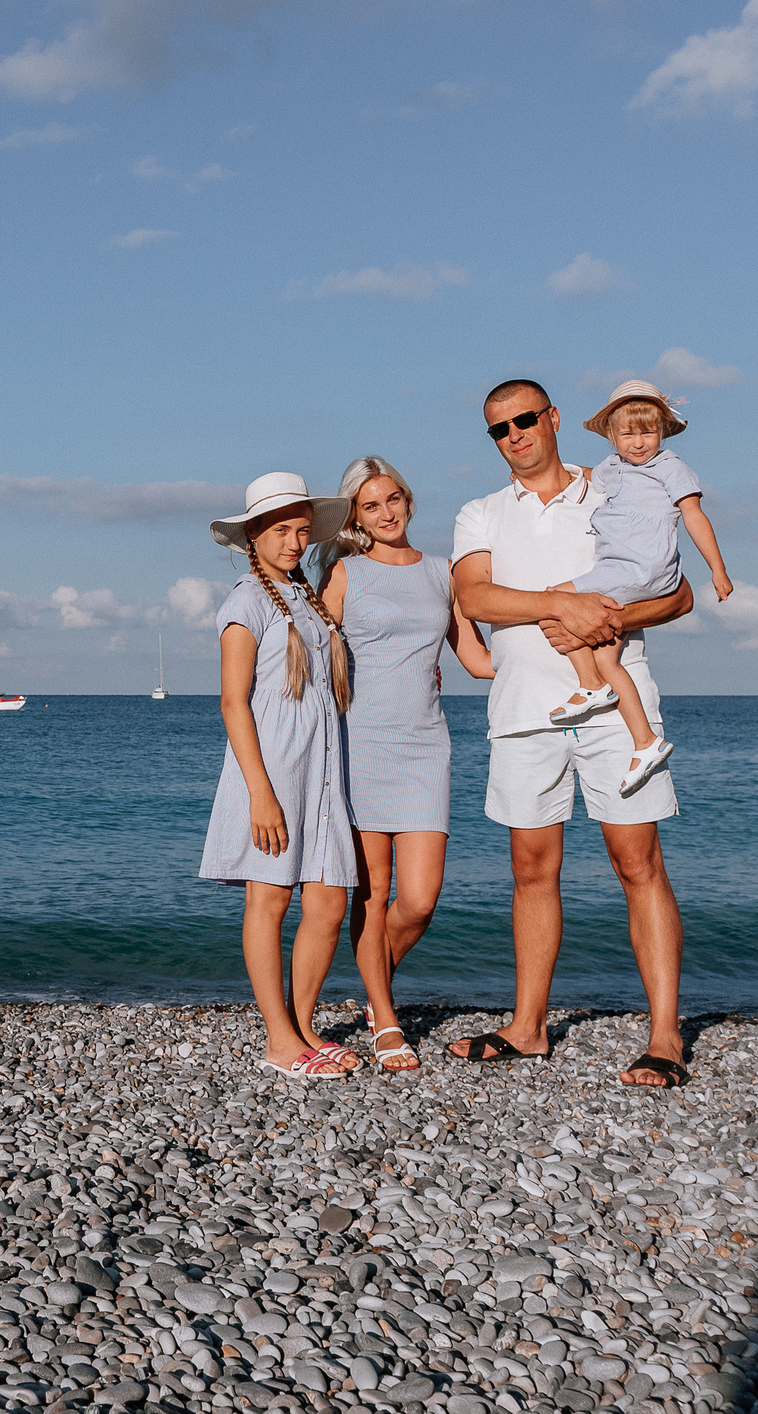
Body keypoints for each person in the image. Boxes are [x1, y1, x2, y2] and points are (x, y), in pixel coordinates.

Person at [446, 379, 698, 1088]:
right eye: (499, 428)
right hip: (525, 707)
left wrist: (607, 620)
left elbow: (677, 593)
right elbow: (475, 595)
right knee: (531, 869)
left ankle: (665, 1035)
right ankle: (528, 1028)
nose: (515, 434)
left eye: (526, 419)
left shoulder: (618, 487)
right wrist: (564, 603)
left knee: (636, 860)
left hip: (618, 705)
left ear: (554, 418)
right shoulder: (481, 512)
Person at [313, 457, 492, 1071]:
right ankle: (386, 1019)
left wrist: (560, 656)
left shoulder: (444, 574)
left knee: (418, 902)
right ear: (355, 517)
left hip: (425, 746)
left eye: (393, 499)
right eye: (371, 506)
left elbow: (473, 655)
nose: (386, 513)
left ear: (408, 500)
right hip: (359, 742)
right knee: (374, 894)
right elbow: (308, 651)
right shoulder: (345, 573)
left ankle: (371, 988)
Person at [199, 472, 362, 1079]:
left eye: (301, 530)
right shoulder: (245, 601)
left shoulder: (307, 597)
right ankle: (278, 1041)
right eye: (281, 531)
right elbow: (232, 702)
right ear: (253, 536)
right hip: (272, 773)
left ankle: (303, 1025)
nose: (294, 542)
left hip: (322, 772)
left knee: (327, 902)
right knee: (268, 902)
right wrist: (260, 795)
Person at [543, 379, 735, 795]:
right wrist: (556, 472)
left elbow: (695, 516)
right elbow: (594, 476)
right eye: (627, 434)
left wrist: (717, 570)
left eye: (647, 432)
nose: (638, 442)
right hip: (619, 569)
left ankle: (591, 687)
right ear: (612, 435)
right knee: (609, 656)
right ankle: (645, 743)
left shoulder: (670, 467)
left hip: (643, 569)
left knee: (553, 600)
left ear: (662, 430)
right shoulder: (612, 468)